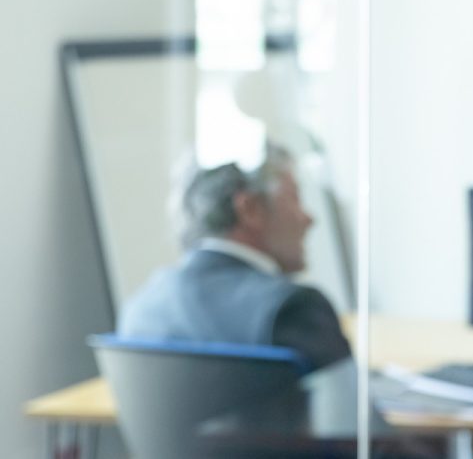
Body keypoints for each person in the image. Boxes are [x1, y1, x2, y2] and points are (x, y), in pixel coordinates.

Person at [120, 143, 351, 370]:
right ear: (250, 209)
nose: (308, 219)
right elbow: (352, 407)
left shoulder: (139, 312)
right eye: (294, 198)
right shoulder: (292, 308)